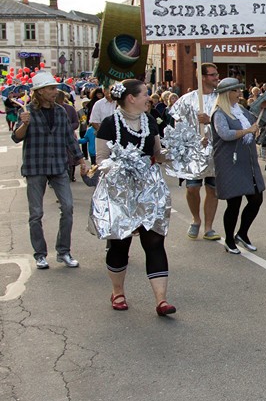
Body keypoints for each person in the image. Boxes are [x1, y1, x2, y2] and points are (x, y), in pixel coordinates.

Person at [95, 80, 175, 316]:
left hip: (149, 190)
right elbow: (100, 159)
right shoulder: (110, 124)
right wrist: (120, 167)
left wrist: (180, 151)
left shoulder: (149, 120)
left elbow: (157, 154)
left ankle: (161, 300)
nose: (148, 97)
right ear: (131, 98)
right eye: (144, 94)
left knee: (154, 241)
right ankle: (117, 291)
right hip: (120, 191)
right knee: (121, 242)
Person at [11, 72, 89, 270]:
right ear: (40, 92)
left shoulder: (61, 111)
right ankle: (40, 254)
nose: (56, 91)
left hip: (58, 165)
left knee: (68, 208)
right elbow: (16, 137)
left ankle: (63, 251)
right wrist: (24, 123)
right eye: (51, 88)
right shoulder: (27, 111)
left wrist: (81, 160)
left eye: (55, 88)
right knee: (36, 213)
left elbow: (69, 138)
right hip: (35, 166)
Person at [210, 78, 265, 254]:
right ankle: (229, 240)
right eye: (236, 91)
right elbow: (225, 134)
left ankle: (242, 233)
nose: (240, 93)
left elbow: (254, 121)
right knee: (234, 203)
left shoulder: (240, 110)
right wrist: (247, 131)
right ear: (228, 94)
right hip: (230, 162)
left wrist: (259, 119)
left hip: (247, 161)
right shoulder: (219, 113)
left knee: (256, 199)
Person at [169, 63, 221, 241]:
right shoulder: (187, 99)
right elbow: (178, 126)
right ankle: (195, 219)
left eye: (216, 74)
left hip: (216, 150)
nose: (216, 77)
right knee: (192, 188)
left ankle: (209, 227)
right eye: (213, 75)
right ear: (203, 77)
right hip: (193, 152)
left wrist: (210, 122)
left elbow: (231, 123)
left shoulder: (222, 99)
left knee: (212, 189)